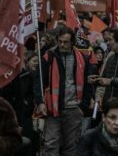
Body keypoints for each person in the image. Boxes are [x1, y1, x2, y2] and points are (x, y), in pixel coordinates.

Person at [34, 26, 93, 156]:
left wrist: (82, 107)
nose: (62, 44)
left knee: (71, 147)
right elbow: (38, 81)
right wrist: (40, 102)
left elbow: (88, 84)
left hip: (74, 110)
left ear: (72, 42)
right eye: (60, 41)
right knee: (50, 144)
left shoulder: (83, 59)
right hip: (53, 109)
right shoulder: (48, 57)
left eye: (65, 42)